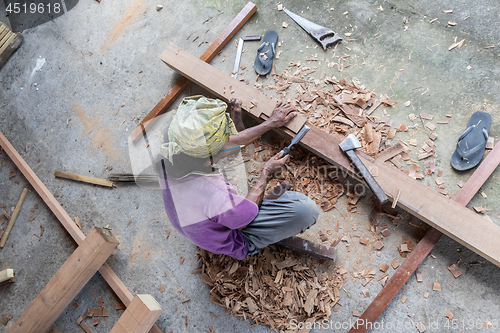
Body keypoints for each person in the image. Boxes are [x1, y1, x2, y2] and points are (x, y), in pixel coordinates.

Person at [159, 95, 319, 260]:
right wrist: (266, 172)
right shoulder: (215, 194)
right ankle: (251, 235)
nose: (230, 143)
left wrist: (272, 122)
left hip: (189, 222)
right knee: (305, 210)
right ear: (208, 161)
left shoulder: (174, 142)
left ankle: (236, 212)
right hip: (231, 236)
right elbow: (243, 223)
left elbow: (229, 145)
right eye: (224, 143)